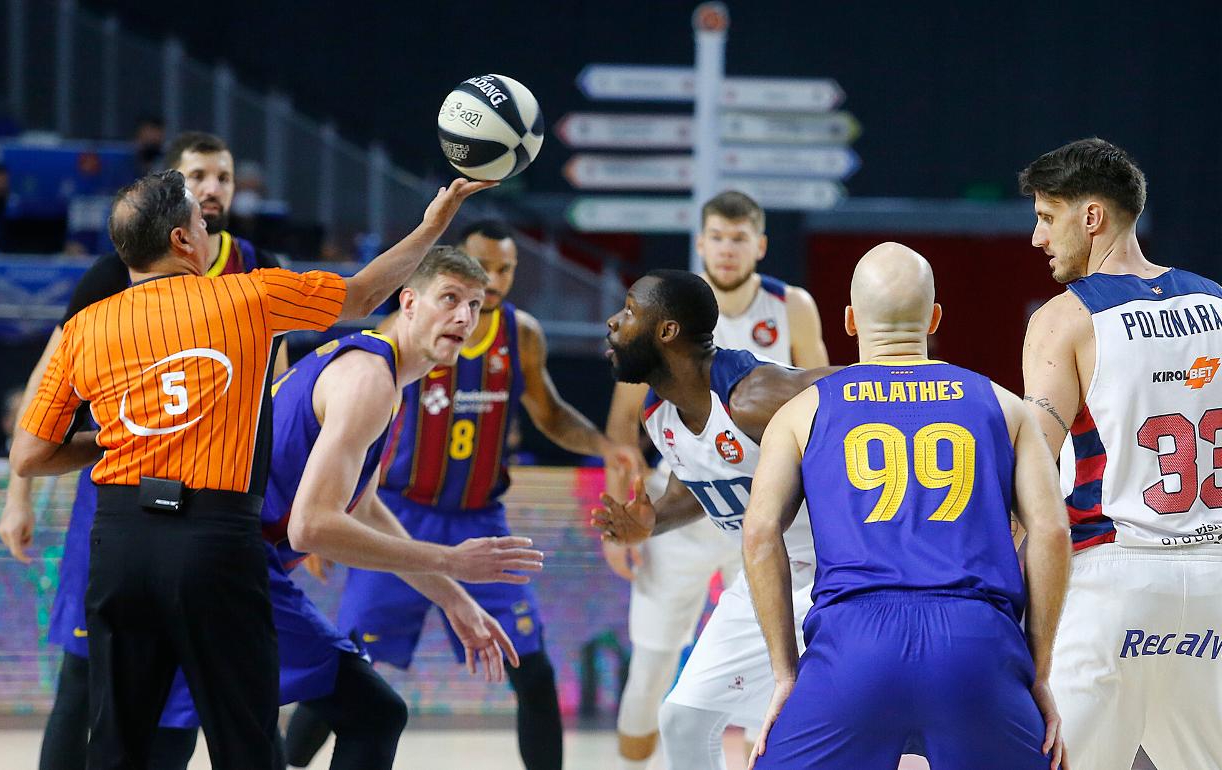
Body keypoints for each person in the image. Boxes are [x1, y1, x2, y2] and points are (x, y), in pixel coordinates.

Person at [10, 169, 491, 769]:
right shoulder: (248, 296)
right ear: (184, 242)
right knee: (244, 741)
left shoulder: (85, 328)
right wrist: (431, 225)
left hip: (119, 542)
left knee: (118, 741)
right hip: (214, 541)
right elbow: (364, 295)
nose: (210, 227)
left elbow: (30, 456)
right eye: (202, 221)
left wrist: (117, 439)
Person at [284, 219, 637, 770]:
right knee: (347, 679)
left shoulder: (515, 333)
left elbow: (546, 412)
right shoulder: (385, 357)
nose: (488, 288)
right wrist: (323, 523)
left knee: (528, 670)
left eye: (501, 273)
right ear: (413, 300)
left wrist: (604, 446)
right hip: (397, 511)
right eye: (464, 285)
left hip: (475, 517)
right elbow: (318, 503)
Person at [0, 131, 288, 770]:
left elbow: (280, 393)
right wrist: (19, 497)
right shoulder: (114, 274)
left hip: (218, 508)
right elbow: (47, 391)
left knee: (194, 701)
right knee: (87, 682)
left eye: (224, 177)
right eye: (198, 177)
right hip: (123, 505)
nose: (212, 189)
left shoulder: (259, 271)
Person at [741, 243, 1071, 770]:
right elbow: (1052, 532)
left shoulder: (802, 411)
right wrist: (1038, 673)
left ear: (849, 321)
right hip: (976, 645)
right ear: (935, 317)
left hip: (853, 648)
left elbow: (759, 534)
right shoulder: (1004, 404)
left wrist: (786, 674)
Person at [256, 245, 542, 769]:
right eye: (449, 299)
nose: (463, 317)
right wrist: (451, 560)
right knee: (373, 712)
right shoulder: (370, 378)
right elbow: (311, 527)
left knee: (226, 729)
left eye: (475, 306)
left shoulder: (381, 376)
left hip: (235, 557)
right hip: (236, 561)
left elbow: (361, 508)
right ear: (408, 302)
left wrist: (455, 597)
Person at [602, 190, 828, 770]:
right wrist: (651, 519)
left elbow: (854, 386)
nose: (613, 320)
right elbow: (698, 482)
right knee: (681, 717)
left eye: (628, 312)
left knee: (799, 723)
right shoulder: (660, 414)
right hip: (764, 568)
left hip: (835, 574)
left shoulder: (757, 392)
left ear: (669, 331)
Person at [1020, 138, 1222, 770]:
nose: (1036, 237)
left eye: (1047, 216)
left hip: (1113, 580)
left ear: (1091, 217)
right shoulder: (1215, 301)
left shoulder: (1065, 318)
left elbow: (1032, 477)